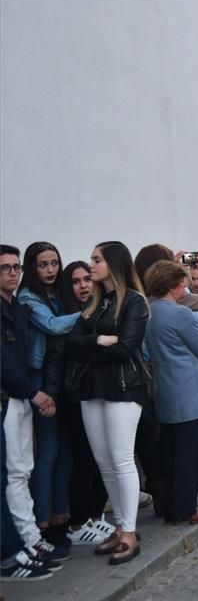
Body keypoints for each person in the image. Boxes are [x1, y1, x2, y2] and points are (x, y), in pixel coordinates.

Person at [66, 241, 149, 565]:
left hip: (123, 387)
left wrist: (92, 347)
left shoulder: (133, 301)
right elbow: (72, 345)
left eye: (97, 260)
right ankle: (120, 527)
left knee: (121, 459)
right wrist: (99, 340)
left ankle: (128, 531)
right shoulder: (98, 303)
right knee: (105, 462)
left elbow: (127, 347)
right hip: (92, 388)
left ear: (113, 264)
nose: (91, 266)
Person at [2, 244, 62, 579]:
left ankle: (30, 539)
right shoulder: (14, 306)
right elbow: (5, 362)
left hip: (22, 395)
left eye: (15, 267)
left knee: (21, 469)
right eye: (4, 268)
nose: (12, 273)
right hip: (11, 397)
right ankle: (22, 541)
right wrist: (33, 393)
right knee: (14, 471)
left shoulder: (17, 307)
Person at [44, 262, 114, 547]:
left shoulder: (98, 312)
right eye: (75, 281)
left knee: (102, 459)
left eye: (87, 279)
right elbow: (56, 361)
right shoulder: (67, 318)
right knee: (83, 460)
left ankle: (94, 516)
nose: (83, 285)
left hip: (99, 393)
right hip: (75, 397)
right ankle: (78, 522)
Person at [143, 261, 198, 525]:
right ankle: (186, 508)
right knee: (190, 456)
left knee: (170, 453)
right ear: (175, 285)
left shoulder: (150, 311)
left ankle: (169, 505)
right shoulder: (180, 314)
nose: (185, 287)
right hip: (189, 391)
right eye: (183, 283)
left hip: (165, 387)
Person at [16, 242, 80, 550]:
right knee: (49, 452)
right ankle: (42, 524)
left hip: (61, 376)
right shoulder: (29, 297)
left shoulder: (56, 294)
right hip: (40, 377)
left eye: (54, 263)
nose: (51, 270)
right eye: (43, 264)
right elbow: (54, 327)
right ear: (32, 267)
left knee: (65, 453)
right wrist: (90, 312)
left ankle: (59, 519)